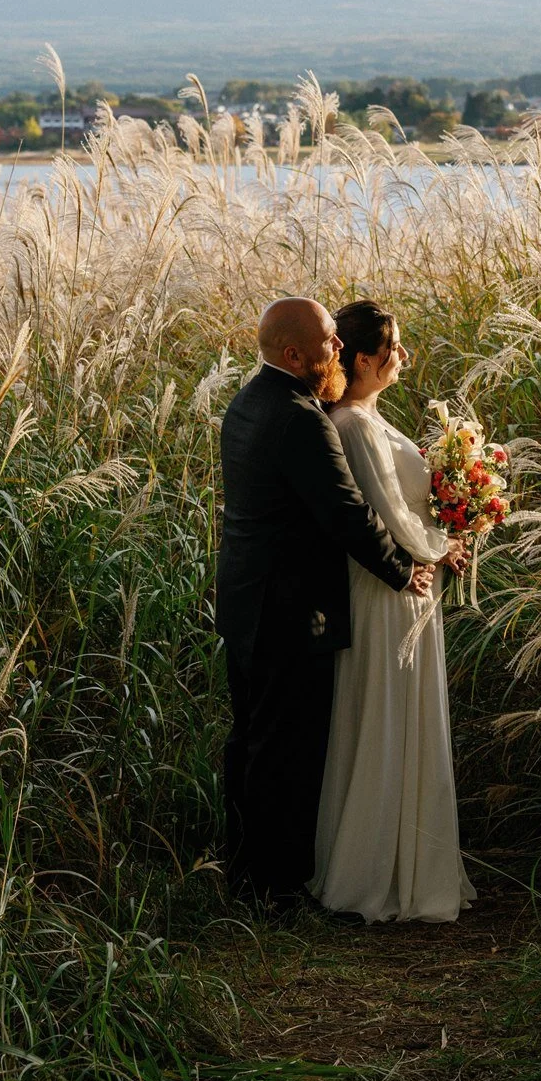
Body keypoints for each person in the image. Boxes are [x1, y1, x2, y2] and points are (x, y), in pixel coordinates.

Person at [217, 297, 434, 908]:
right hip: (288, 610)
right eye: (329, 343)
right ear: (295, 355)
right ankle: (274, 887)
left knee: (250, 743)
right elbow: (346, 514)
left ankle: (245, 874)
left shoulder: (246, 403)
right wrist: (402, 571)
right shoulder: (299, 418)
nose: (338, 348)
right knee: (284, 749)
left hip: (244, 602)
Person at [312, 300, 477, 924]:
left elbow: (408, 506)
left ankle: (414, 861)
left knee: (407, 714)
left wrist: (459, 514)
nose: (402, 356)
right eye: (394, 348)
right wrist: (444, 544)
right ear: (362, 360)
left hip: (413, 584)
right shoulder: (351, 424)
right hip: (388, 593)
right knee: (385, 715)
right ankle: (373, 874)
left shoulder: (373, 417)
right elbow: (380, 513)